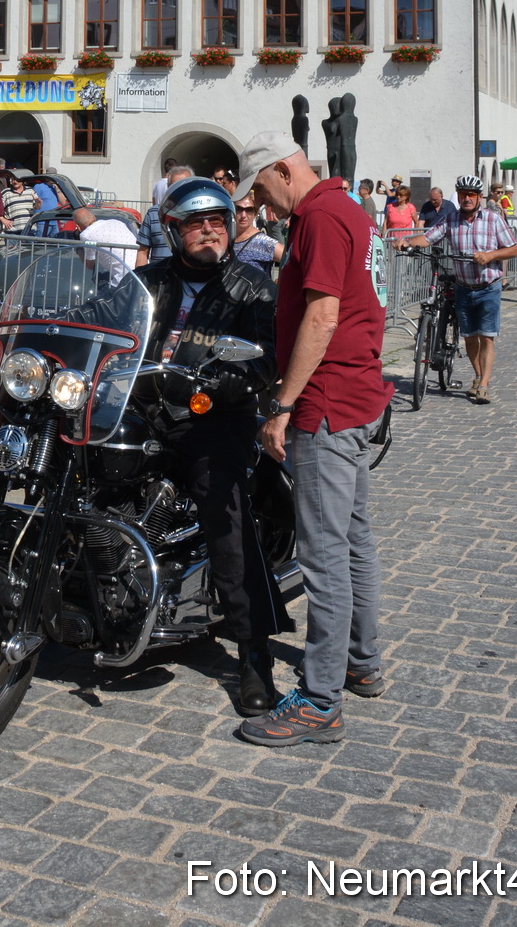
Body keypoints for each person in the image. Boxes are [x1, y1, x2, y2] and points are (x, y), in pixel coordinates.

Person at [230, 133, 391, 749]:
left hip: (325, 402)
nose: (258, 204)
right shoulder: (345, 208)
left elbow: (323, 316)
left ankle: (320, 700)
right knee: (352, 540)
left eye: (259, 190)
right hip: (354, 392)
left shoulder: (321, 217)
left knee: (324, 556)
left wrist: (282, 404)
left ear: (280, 170)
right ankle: (361, 661)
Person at [138, 176, 289, 716]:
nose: (209, 231)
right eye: (196, 224)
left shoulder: (253, 286)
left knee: (225, 512)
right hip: (142, 407)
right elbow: (102, 320)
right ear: (173, 231)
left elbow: (266, 352)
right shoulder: (147, 280)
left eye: (217, 221)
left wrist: (234, 378)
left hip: (212, 413)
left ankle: (253, 652)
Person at [413, 174, 517, 403]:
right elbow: (429, 238)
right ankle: (478, 376)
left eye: (471, 194)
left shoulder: (492, 219)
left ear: (480, 197)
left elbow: (513, 248)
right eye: (463, 194)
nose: (467, 198)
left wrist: (490, 255)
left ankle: (484, 385)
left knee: (486, 337)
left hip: (488, 286)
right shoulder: (451, 219)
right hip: (463, 287)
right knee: (469, 337)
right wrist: (407, 242)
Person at [136, 163, 193, 265]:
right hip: (158, 274)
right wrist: (139, 274)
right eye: (174, 185)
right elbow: (143, 252)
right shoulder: (153, 213)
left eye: (183, 185)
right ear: (168, 187)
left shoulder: (199, 214)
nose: (178, 189)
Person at [72, 207, 138, 269]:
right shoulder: (115, 222)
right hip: (140, 267)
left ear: (78, 227)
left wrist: (78, 248)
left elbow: (89, 265)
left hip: (124, 273)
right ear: (94, 217)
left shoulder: (86, 235)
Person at [232, 194, 282, 268]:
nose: (243, 215)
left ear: (255, 213)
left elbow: (292, 260)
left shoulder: (264, 242)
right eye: (239, 209)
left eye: (249, 210)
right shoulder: (227, 239)